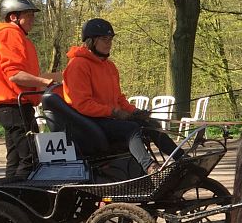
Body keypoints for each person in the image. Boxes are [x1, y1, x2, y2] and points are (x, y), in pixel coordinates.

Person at [62, 18, 179, 174]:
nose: (109, 43)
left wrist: (134, 111)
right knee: (131, 129)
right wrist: (114, 112)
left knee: (151, 124)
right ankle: (149, 167)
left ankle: (182, 159)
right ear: (91, 41)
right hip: (88, 123)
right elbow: (82, 104)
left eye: (110, 39)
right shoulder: (78, 65)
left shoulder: (109, 66)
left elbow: (119, 99)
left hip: (107, 119)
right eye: (104, 39)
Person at [0, 0, 63, 179]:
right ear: (13, 17)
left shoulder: (17, 37)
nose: (33, 20)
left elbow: (30, 76)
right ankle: (22, 203)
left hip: (14, 107)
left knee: (15, 161)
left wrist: (63, 77)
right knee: (30, 159)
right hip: (15, 107)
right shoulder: (9, 34)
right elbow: (15, 75)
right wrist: (45, 83)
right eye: (28, 15)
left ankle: (6, 203)